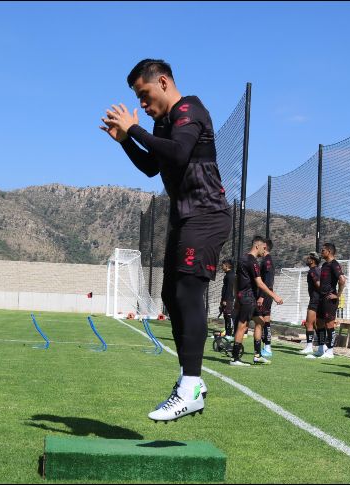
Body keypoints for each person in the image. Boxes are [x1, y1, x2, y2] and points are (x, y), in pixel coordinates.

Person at [101, 59, 232, 422]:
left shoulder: (190, 108)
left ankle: (190, 385)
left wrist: (134, 130)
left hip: (206, 215)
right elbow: (152, 166)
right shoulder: (162, 123)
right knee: (170, 296)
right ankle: (192, 382)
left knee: (188, 293)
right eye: (138, 101)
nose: (142, 106)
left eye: (144, 96)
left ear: (162, 82)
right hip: (184, 218)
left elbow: (176, 152)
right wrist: (127, 141)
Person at [231, 235, 283, 366]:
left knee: (260, 322)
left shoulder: (242, 258)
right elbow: (259, 283)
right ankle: (235, 358)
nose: (264, 250)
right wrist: (274, 296)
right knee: (242, 326)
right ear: (257, 246)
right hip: (248, 297)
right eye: (263, 248)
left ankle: (257, 356)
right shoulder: (252, 261)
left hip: (248, 297)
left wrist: (237, 297)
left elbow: (236, 280)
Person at [306, 243, 346, 359]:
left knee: (329, 324)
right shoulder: (324, 265)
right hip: (322, 299)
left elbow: (342, 280)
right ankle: (320, 348)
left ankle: (330, 350)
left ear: (329, 251)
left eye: (323, 250)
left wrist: (337, 295)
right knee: (319, 322)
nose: (321, 252)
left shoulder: (334, 264)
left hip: (330, 299)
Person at [301, 252, 322, 354]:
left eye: (309, 258)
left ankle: (309, 347)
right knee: (317, 324)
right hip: (318, 300)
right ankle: (323, 346)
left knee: (309, 323)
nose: (307, 259)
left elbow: (319, 284)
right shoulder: (317, 270)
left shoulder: (313, 271)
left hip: (315, 300)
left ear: (313, 260)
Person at [258, 239, 276, 358]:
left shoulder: (267, 261)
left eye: (260, 244)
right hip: (266, 294)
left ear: (265, 246)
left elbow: (268, 281)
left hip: (265, 295)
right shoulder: (265, 260)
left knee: (263, 321)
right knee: (265, 320)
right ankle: (267, 347)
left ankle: (267, 347)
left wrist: (262, 296)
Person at [220, 258, 236, 339]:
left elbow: (229, 289)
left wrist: (225, 300)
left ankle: (229, 334)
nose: (221, 267)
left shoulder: (230, 276)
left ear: (227, 266)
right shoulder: (228, 275)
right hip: (227, 299)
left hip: (229, 299)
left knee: (228, 316)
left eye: (222, 265)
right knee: (226, 316)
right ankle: (227, 332)